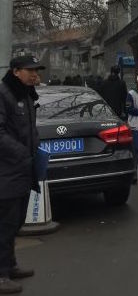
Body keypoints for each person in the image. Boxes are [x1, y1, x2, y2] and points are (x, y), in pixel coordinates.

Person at [0, 55, 44, 293]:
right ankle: (1, 274)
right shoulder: (4, 94)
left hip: (22, 169)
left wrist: (35, 148)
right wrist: (22, 153)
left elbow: (29, 128)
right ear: (16, 71)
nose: (35, 74)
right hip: (6, 171)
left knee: (15, 221)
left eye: (36, 70)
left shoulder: (24, 94)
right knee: (5, 223)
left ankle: (10, 264)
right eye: (30, 70)